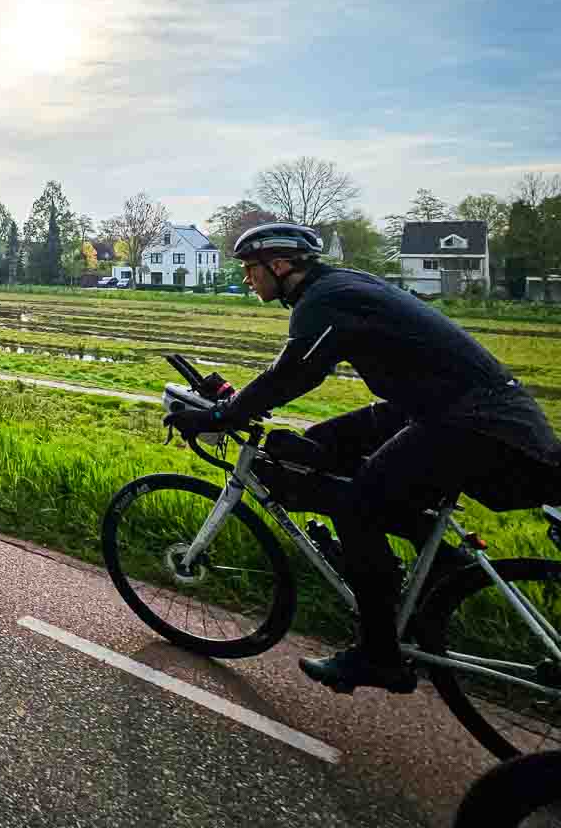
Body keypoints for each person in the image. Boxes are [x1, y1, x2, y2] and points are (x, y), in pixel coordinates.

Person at [164, 222, 561, 693]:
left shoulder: (326, 300)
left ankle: (379, 655)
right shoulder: (339, 288)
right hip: (446, 409)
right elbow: (298, 374)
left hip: (474, 422)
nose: (248, 279)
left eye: (251, 269)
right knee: (322, 445)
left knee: (359, 505)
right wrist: (237, 409)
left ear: (281, 265)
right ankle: (435, 570)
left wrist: (222, 417)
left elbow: (292, 374)